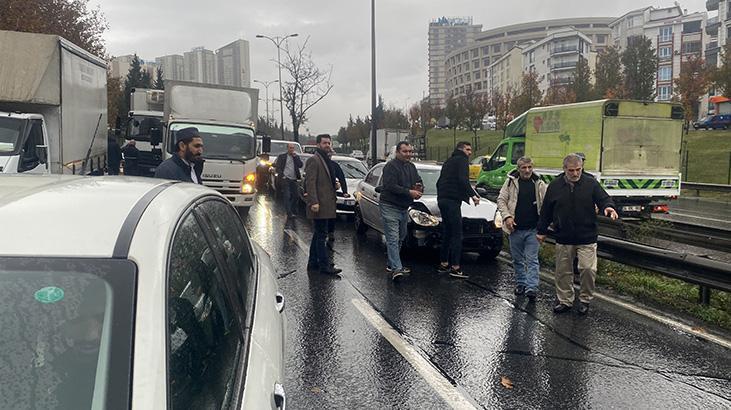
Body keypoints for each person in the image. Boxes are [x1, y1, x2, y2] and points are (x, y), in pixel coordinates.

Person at [537, 153, 618, 315]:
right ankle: (565, 300)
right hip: (564, 235)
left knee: (587, 269)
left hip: (586, 235)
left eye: (578, 170)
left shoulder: (590, 183)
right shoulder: (555, 186)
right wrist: (541, 230)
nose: (575, 174)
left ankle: (585, 299)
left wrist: (608, 207)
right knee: (563, 271)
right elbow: (546, 210)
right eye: (571, 170)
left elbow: (603, 198)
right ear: (564, 169)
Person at [497, 156, 547, 300]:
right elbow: (501, 200)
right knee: (517, 259)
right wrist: (507, 217)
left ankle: (532, 288)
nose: (527, 170)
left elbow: (546, 204)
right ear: (518, 169)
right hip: (515, 229)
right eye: (524, 168)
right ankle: (521, 283)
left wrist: (544, 226)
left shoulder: (539, 183)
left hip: (533, 229)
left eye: (529, 167)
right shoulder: (510, 183)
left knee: (532, 259)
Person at [435, 141, 480, 279]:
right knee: (456, 234)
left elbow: (439, 182)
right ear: (461, 150)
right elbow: (463, 180)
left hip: (442, 199)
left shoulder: (448, 162)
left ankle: (443, 263)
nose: (470, 152)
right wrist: (473, 195)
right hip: (452, 200)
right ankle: (455, 267)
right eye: (468, 149)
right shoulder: (462, 160)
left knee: (447, 232)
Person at [380, 141, 422, 280]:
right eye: (405, 151)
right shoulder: (390, 167)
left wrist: (419, 188)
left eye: (410, 151)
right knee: (392, 237)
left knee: (401, 237)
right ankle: (397, 269)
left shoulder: (411, 167)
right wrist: (409, 192)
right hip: (389, 205)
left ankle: (391, 264)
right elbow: (390, 186)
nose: (408, 154)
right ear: (397, 152)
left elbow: (418, 181)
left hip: (404, 207)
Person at [304, 134, 342, 276]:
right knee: (321, 235)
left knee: (319, 234)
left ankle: (313, 262)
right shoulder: (314, 160)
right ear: (318, 144)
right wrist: (314, 202)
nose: (327, 145)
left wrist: (335, 184)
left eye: (329, 143)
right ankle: (324, 265)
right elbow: (310, 182)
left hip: (326, 203)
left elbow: (325, 179)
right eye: (324, 143)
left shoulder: (325, 159)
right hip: (319, 204)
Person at [275, 143, 303, 217]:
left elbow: (300, 165)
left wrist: (296, 157)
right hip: (285, 179)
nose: (292, 149)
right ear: (287, 148)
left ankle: (293, 209)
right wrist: (282, 176)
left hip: (294, 179)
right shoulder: (282, 157)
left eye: (293, 148)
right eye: (290, 148)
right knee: (287, 196)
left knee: (296, 195)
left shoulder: (296, 157)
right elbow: (278, 168)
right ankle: (289, 212)